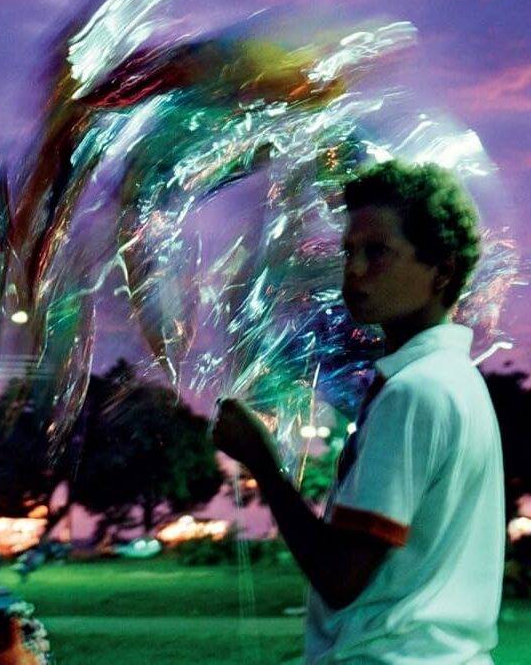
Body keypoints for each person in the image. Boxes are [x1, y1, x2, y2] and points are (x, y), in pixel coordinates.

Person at [213, 160, 505, 664]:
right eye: (349, 251)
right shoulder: (454, 379)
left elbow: (340, 575)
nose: (354, 269)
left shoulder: (416, 393)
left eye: (378, 252)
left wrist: (261, 461)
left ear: (442, 270)